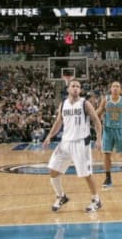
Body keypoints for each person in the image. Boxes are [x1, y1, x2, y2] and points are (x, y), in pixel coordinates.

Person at [42, 79, 104, 213]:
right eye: (73, 86)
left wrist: (99, 138)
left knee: (86, 174)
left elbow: (97, 121)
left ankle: (96, 200)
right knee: (53, 169)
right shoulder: (63, 104)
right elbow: (59, 122)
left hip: (81, 142)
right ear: (68, 89)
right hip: (65, 142)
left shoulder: (85, 103)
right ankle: (61, 196)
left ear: (80, 90)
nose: (75, 88)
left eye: (78, 86)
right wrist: (49, 136)